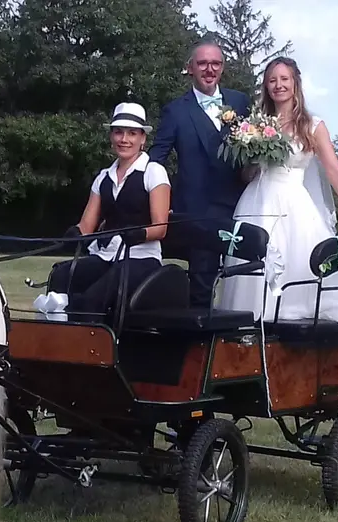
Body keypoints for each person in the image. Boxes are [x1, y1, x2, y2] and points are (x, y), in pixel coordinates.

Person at [216, 56, 338, 336]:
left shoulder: (312, 125)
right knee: (253, 267)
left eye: (284, 79)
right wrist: (252, 156)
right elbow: (247, 174)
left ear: (295, 84)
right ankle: (252, 330)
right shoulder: (257, 125)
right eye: (272, 80)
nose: (278, 85)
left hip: (293, 202)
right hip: (256, 202)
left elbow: (332, 167)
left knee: (297, 261)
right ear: (266, 86)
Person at [34, 102, 170, 320]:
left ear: (142, 138)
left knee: (97, 294)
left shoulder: (154, 172)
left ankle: (63, 310)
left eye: (132, 133)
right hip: (105, 255)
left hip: (141, 257)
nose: (124, 139)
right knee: (61, 275)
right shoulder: (103, 177)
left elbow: (161, 227)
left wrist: (138, 234)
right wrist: (75, 234)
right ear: (111, 136)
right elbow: (86, 226)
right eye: (118, 132)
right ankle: (57, 323)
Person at [148, 40, 252, 307]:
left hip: (240, 206)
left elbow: (254, 150)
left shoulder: (240, 102)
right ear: (190, 68)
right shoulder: (176, 111)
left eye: (215, 63)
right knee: (202, 284)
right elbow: (156, 159)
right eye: (203, 63)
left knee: (245, 280)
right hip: (197, 212)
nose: (209, 69)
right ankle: (200, 345)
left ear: (223, 67)